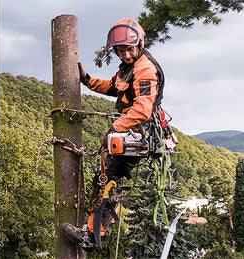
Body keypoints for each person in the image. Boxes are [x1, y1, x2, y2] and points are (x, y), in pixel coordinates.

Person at [62, 18, 165, 250]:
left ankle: (92, 234)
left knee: (105, 178)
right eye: (121, 50)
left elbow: (143, 110)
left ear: (139, 43)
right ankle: (97, 231)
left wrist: (117, 127)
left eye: (130, 49)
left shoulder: (145, 68)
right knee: (108, 178)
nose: (126, 55)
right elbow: (113, 86)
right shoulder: (128, 67)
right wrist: (88, 81)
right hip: (129, 131)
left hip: (136, 132)